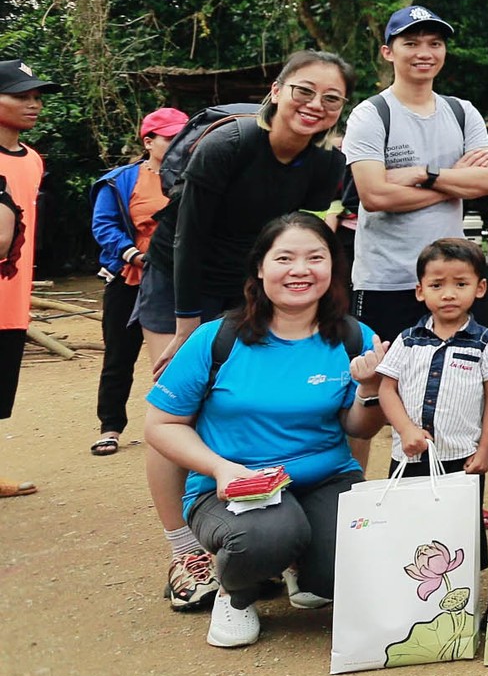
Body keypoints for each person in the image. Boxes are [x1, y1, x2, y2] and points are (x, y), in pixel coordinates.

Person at [140, 49, 353, 611]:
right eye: (304, 90)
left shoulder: (326, 165)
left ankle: (284, 536)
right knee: (176, 403)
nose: (315, 105)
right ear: (277, 90)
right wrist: (187, 330)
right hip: (180, 276)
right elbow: (188, 238)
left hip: (257, 279)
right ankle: (185, 549)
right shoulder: (229, 145)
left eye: (331, 98)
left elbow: (305, 235)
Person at [143, 213, 387, 648]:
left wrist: (369, 390)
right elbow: (161, 424)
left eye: (316, 258)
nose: (300, 270)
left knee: (349, 562)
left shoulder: (356, 338)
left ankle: (303, 569)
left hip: (325, 479)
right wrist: (219, 468)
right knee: (269, 535)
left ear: (333, 266)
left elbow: (360, 428)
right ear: (260, 267)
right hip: (236, 484)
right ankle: (235, 595)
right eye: (285, 258)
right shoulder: (216, 339)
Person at [342, 6, 488, 342]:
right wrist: (455, 183)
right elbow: (375, 196)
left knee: (451, 371)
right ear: (388, 52)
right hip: (385, 281)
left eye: (434, 44)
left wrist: (422, 174)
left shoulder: (462, 112)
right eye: (411, 43)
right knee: (380, 370)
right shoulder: (370, 115)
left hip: (450, 280)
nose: (425, 53)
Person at [375, 237, 488, 565]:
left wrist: (485, 450)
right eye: (437, 285)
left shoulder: (486, 341)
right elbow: (386, 390)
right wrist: (406, 430)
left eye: (460, 284)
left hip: (461, 458)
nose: (449, 294)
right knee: (408, 530)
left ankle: (461, 594)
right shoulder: (407, 340)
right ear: (420, 291)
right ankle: (409, 593)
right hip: (408, 455)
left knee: (458, 533)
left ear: (480, 288)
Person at [90, 106, 188, 457]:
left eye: (185, 137)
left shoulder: (197, 177)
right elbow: (104, 225)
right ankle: (110, 427)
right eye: (171, 138)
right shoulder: (119, 180)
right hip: (131, 277)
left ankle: (180, 426)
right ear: (148, 141)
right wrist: (132, 254)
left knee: (183, 356)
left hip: (180, 279)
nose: (181, 144)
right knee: (119, 354)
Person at [0, 57, 56, 497]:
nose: (32, 104)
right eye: (20, 96)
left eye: (36, 97)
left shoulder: (33, 160)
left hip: (12, 299)